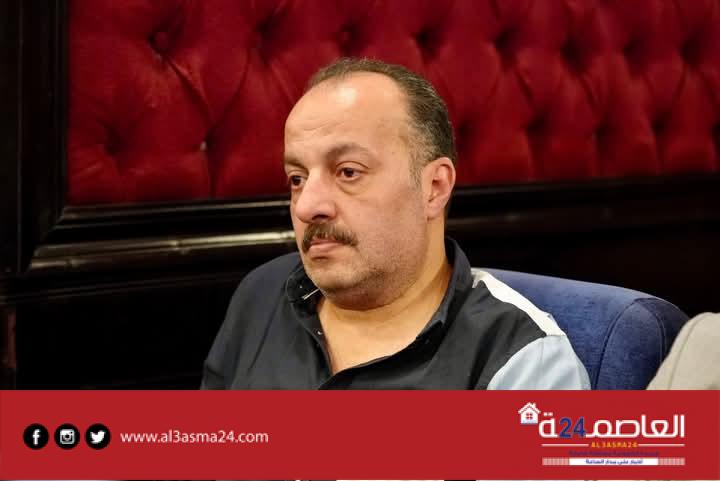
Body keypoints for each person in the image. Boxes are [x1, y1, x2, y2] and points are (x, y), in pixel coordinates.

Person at [202, 58, 589, 390]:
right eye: (297, 178)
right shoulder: (261, 295)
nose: (306, 206)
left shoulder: (524, 362)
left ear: (434, 187)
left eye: (348, 172)